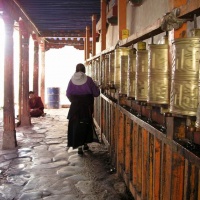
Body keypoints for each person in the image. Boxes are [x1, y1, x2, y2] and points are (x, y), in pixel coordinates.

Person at [66, 63, 100, 155]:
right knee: (86, 124)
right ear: (84, 70)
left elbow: (68, 94)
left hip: (75, 107)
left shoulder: (72, 80)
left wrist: (75, 101)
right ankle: (85, 144)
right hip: (86, 107)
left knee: (76, 125)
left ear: (76, 70)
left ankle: (79, 146)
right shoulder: (88, 79)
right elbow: (96, 93)